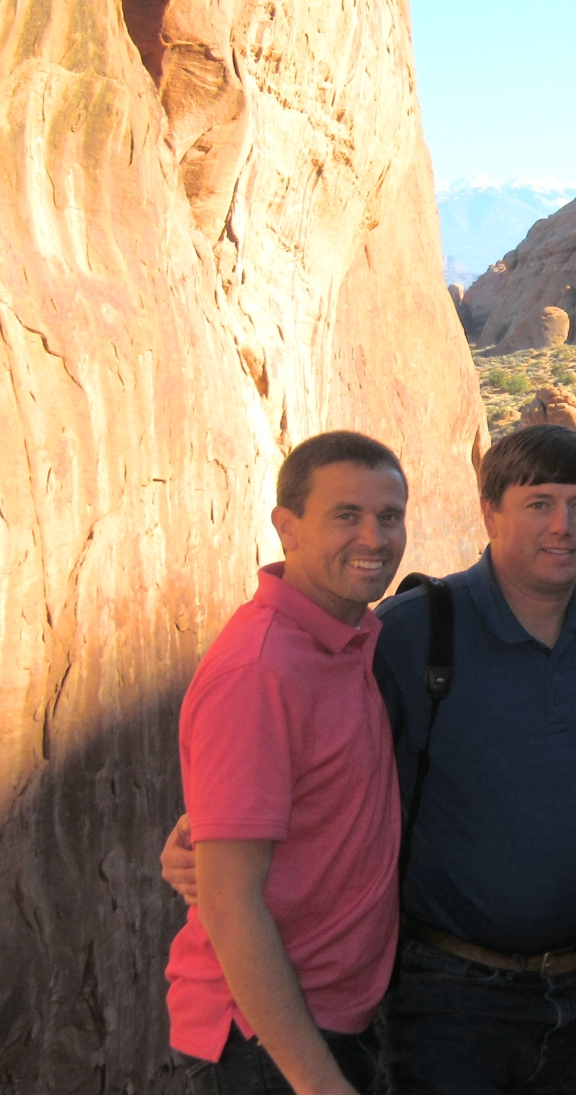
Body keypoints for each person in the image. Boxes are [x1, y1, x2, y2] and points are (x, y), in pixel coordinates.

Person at [164, 423, 576, 1094]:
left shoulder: (359, 639)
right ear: (489, 512)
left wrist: (205, 834)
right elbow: (232, 882)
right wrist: (198, 841)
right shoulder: (394, 635)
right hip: (387, 1010)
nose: (562, 525)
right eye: (538, 503)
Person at [166, 430, 409, 1095]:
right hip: (268, 1037)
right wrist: (318, 1083)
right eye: (346, 515)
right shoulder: (261, 669)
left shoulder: (347, 638)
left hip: (323, 1021)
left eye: (389, 516)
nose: (373, 538)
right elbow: (229, 902)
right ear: (287, 527)